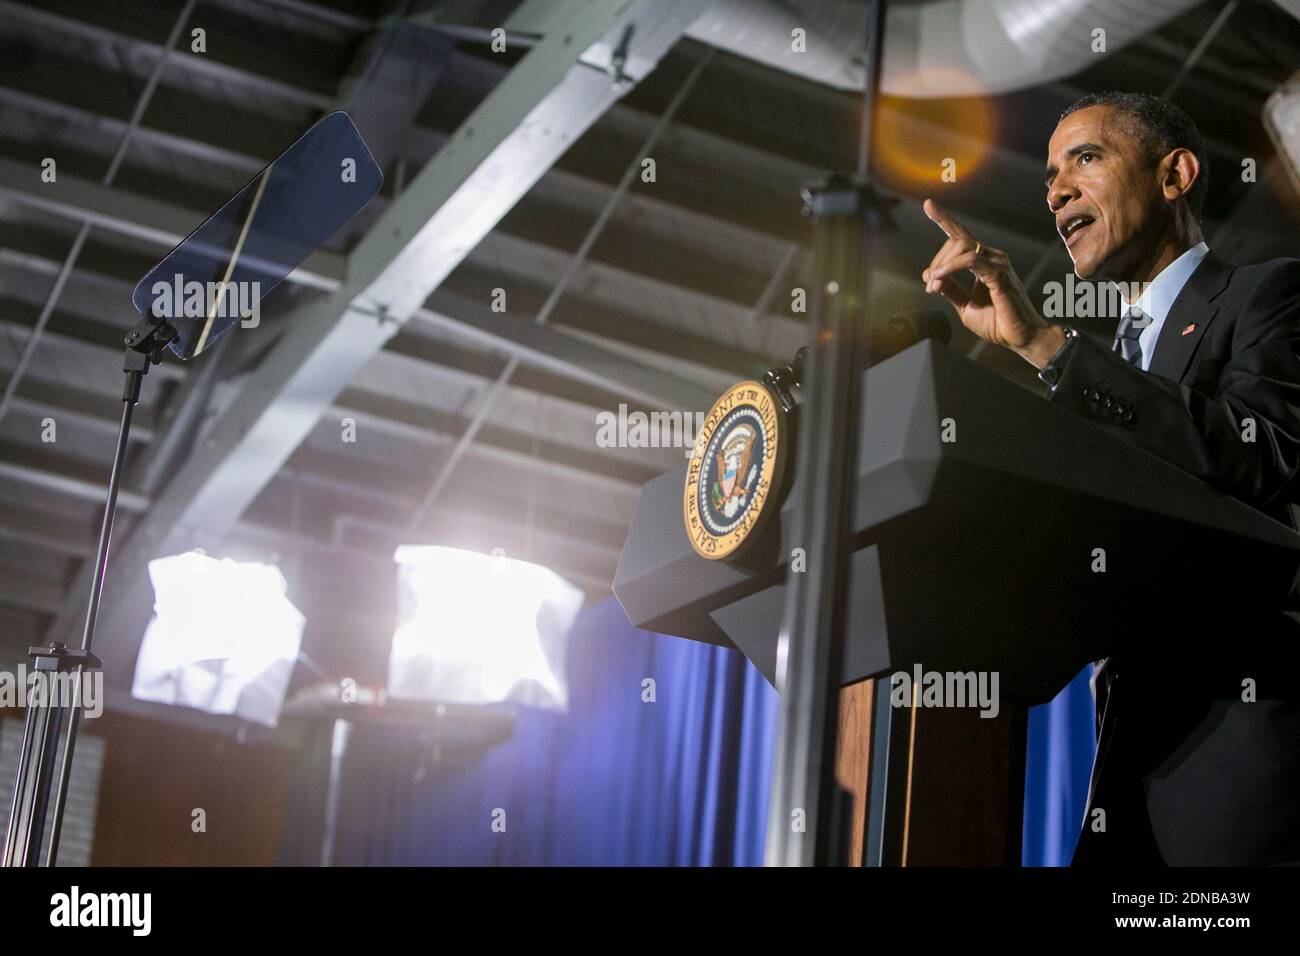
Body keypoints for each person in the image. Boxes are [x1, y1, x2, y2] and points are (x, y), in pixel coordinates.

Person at [921, 90, 1300, 866]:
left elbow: (1257, 456)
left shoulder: (1270, 295)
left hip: (1243, 768)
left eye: (1085, 159)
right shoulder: (1103, 371)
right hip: (1124, 777)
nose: (1056, 191)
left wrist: (1048, 348)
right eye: (1049, 177)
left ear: (1175, 176)